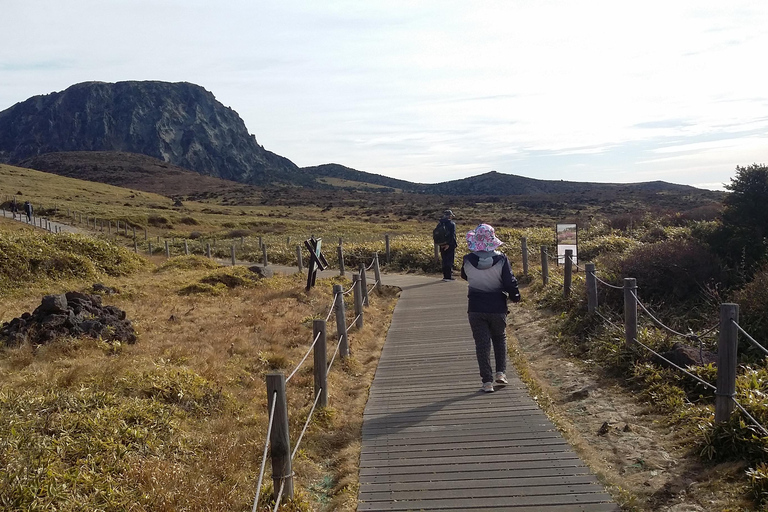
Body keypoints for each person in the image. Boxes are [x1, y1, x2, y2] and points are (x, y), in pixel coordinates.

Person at [461, 223, 521, 393]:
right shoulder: (502, 259)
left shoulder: (467, 259)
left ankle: (487, 382)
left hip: (475, 307)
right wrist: (515, 295)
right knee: (499, 339)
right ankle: (500, 373)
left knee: (482, 345)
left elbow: (465, 275)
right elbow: (509, 281)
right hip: (497, 306)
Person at [437, 209, 457, 281]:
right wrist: (449, 244)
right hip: (449, 245)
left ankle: (445, 275)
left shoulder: (440, 224)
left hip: (441, 244)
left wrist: (441, 244)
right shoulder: (451, 224)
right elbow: (452, 236)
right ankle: (448, 276)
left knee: (444, 260)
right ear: (449, 216)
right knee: (450, 260)